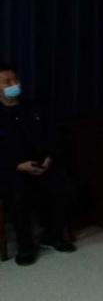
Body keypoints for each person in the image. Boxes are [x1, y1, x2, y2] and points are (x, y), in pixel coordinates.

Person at [0, 64, 76, 266]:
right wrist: (17, 165)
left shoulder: (34, 107)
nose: (14, 84)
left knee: (64, 187)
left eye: (15, 80)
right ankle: (25, 246)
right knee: (18, 194)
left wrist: (49, 157)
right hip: (12, 169)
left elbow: (53, 135)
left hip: (42, 164)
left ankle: (52, 236)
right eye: (7, 82)